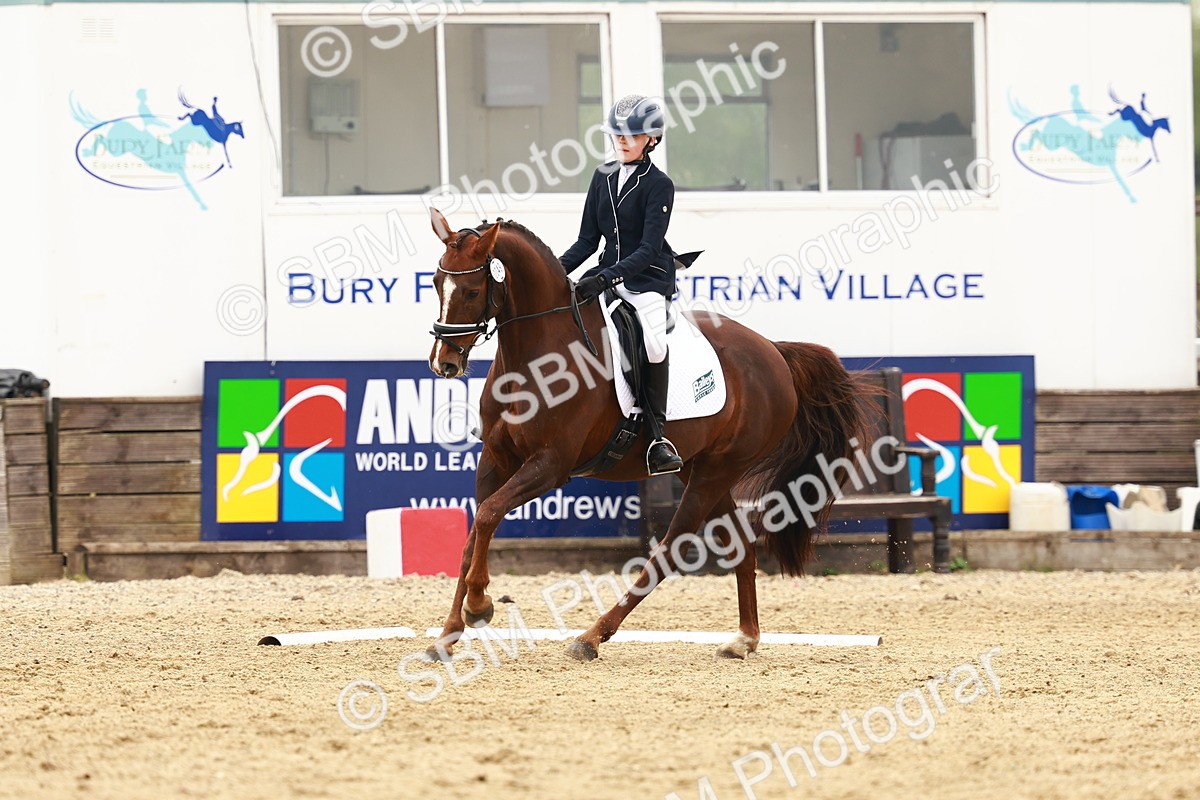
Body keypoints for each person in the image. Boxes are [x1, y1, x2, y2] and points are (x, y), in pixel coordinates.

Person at [560, 94, 683, 476]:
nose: (623, 141)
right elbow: (587, 241)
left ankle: (658, 437)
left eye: (632, 135)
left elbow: (648, 249)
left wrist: (606, 277)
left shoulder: (659, 185)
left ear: (652, 139)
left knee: (654, 344)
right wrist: (554, 272)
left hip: (646, 279)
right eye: (617, 135)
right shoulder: (602, 176)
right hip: (604, 275)